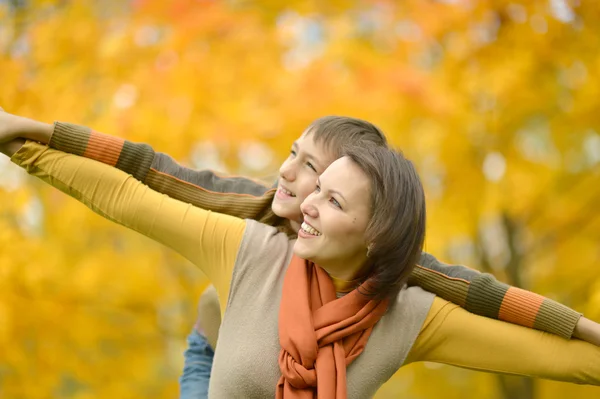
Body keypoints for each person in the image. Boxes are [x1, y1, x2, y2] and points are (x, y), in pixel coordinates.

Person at [1, 110, 600, 397]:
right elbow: (135, 188)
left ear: (374, 233)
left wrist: (584, 330)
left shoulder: (412, 309)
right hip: (215, 357)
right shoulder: (251, 234)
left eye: (328, 193)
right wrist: (22, 139)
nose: (302, 194)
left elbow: (499, 306)